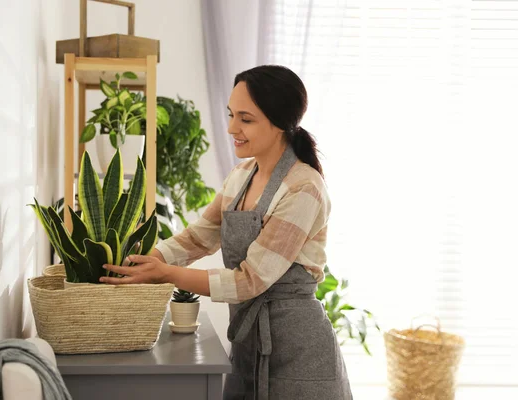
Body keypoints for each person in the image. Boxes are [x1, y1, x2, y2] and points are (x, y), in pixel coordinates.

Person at [100, 65, 353, 399]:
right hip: (249, 343)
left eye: (246, 119)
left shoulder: (303, 188)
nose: (232, 127)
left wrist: (165, 274)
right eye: (232, 115)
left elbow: (250, 280)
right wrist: (145, 261)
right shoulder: (240, 176)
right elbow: (199, 237)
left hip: (299, 354)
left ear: (279, 123)